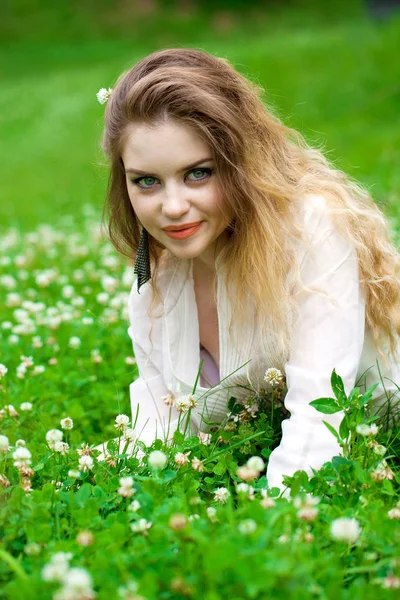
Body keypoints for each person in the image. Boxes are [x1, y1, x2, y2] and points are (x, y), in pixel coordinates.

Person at [95, 48, 400, 494]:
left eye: (198, 173)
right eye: (147, 181)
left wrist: (264, 530)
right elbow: (160, 425)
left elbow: (320, 419)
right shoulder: (156, 276)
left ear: (240, 164)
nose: (173, 207)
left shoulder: (309, 229)